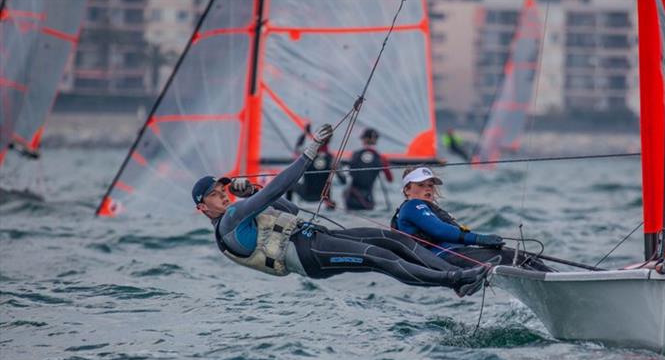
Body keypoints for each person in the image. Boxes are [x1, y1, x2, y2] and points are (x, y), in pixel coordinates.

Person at [192, 124, 489, 297]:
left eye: (223, 192)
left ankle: (459, 272)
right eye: (216, 197)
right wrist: (309, 154)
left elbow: (290, 208)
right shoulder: (229, 220)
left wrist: (253, 192)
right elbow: (277, 189)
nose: (224, 198)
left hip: (315, 238)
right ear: (203, 209)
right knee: (380, 257)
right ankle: (455, 280)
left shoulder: (237, 213)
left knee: (392, 240)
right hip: (309, 256)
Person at [390, 166, 552, 270]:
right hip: (443, 258)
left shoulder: (426, 208)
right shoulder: (412, 206)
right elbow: (440, 231)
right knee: (517, 260)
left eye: (430, 185)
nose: (427, 189)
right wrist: (480, 239)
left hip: (453, 253)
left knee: (525, 259)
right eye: (420, 185)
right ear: (407, 190)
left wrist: (482, 241)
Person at [287, 123, 345, 209]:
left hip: (306, 194)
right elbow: (343, 181)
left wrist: (304, 133)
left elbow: (297, 148)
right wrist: (336, 170)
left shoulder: (307, 154)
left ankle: (288, 208)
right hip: (322, 197)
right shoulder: (332, 159)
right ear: (329, 140)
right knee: (328, 186)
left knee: (289, 184)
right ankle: (329, 203)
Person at [343, 127, 393, 210]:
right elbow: (390, 179)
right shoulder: (381, 158)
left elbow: (347, 175)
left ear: (364, 139)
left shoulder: (355, 154)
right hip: (367, 200)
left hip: (351, 198)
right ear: (375, 140)